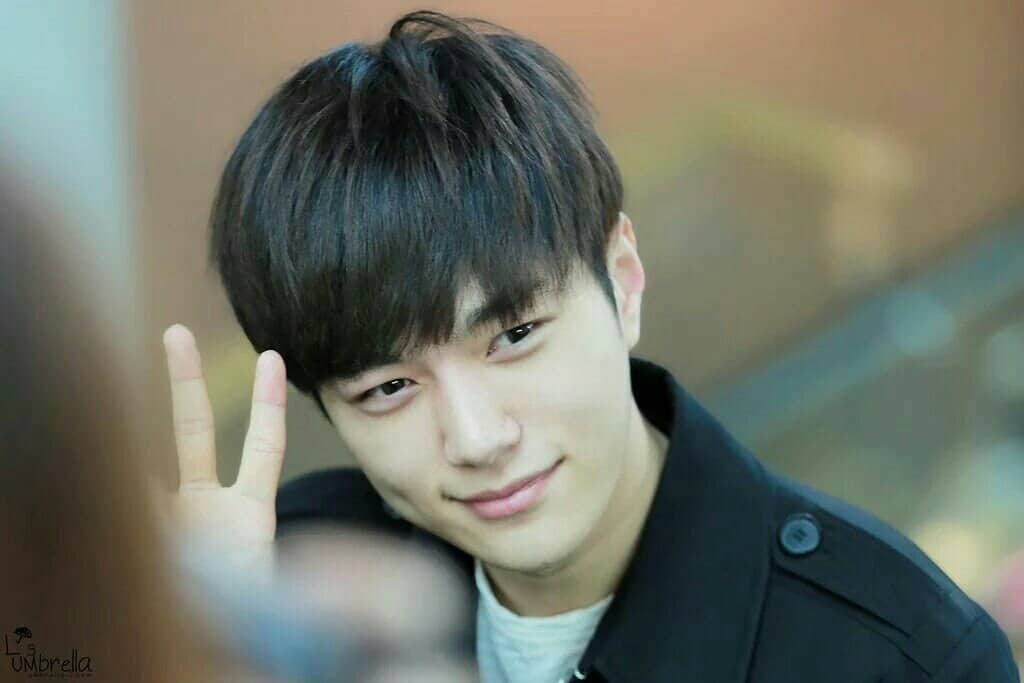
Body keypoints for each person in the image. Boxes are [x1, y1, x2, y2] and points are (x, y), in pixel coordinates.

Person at [169, 9, 1020, 682]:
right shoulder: (296, 593)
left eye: (515, 335)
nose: (477, 438)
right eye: (389, 388)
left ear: (624, 278)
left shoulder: (901, 655)